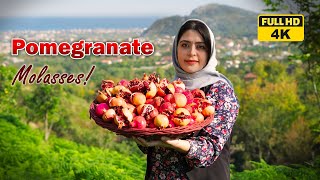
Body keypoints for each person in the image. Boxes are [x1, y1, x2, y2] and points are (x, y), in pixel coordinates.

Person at [134, 19, 240, 180]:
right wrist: (143, 137)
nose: (191, 52)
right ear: (176, 49)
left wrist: (175, 143)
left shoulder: (220, 90)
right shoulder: (168, 90)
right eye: (185, 45)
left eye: (200, 46)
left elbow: (211, 148)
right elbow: (154, 142)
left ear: (210, 52)